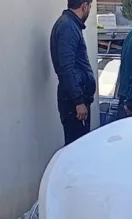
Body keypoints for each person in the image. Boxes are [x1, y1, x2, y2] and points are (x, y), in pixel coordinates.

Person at [50, 0, 96, 146]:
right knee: (77, 148)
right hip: (73, 104)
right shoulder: (68, 27)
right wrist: (78, 101)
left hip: (76, 99)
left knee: (80, 147)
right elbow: (67, 68)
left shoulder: (70, 25)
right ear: (84, 6)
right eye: (90, 6)